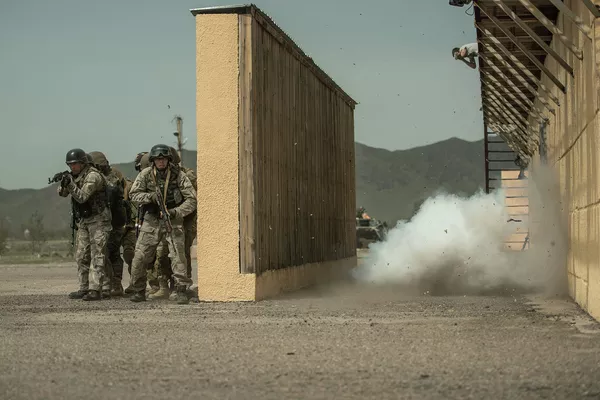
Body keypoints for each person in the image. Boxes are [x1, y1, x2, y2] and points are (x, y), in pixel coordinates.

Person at [128, 144, 197, 304]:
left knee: (178, 256)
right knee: (140, 256)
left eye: (164, 159)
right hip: (152, 219)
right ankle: (139, 289)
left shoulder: (178, 175)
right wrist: (150, 197)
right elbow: (133, 194)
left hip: (172, 219)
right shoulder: (146, 174)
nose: (161, 162)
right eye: (158, 159)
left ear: (169, 160)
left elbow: (192, 199)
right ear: (153, 160)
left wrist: (176, 212)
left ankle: (181, 289)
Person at [58, 148, 111, 301]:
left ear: (83, 163)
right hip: (84, 221)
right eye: (70, 164)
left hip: (99, 220)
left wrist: (70, 184)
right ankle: (84, 288)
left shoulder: (93, 176)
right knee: (81, 255)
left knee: (97, 255)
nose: (72, 167)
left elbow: (82, 197)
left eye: (75, 164)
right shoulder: (76, 176)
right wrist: (64, 183)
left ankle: (95, 289)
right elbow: (62, 193)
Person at [89, 151, 128, 297]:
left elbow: (111, 195)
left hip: (114, 222)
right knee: (103, 254)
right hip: (105, 221)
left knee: (113, 253)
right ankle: (107, 284)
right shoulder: (100, 178)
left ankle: (115, 284)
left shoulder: (112, 178)